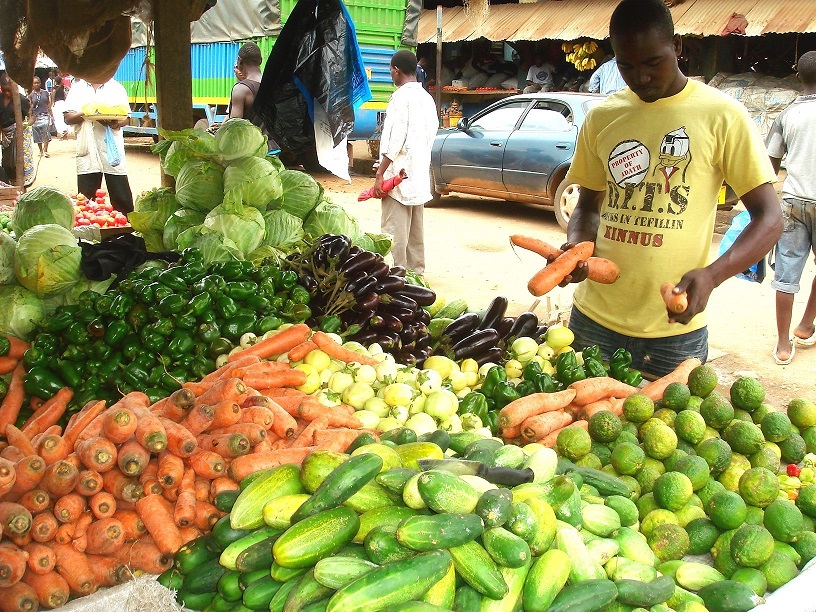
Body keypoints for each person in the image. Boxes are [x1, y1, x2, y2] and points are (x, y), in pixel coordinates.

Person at [560, 0, 782, 376]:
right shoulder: (603, 117)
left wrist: (712, 275)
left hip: (674, 328)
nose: (640, 77)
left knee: (664, 432)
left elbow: (770, 218)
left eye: (652, 63)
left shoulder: (723, 115)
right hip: (592, 320)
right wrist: (578, 250)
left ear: (677, 47)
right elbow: (587, 206)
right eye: (626, 66)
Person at [766, 51, 816, 365]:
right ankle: (806, 324)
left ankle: (784, 345)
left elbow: (768, 164)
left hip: (793, 201)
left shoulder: (786, 115)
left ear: (797, 78)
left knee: (786, 275)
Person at [373, 50, 439, 274]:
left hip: (398, 178)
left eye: (391, 70)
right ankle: (416, 277)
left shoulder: (400, 98)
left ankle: (396, 277)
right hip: (418, 176)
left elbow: (395, 140)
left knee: (394, 235)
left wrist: (380, 174)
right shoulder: (426, 98)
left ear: (396, 70)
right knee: (415, 235)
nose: (391, 74)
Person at [63, 77, 134, 214]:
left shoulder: (116, 88)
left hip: (110, 145)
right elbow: (68, 118)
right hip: (87, 146)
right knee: (86, 198)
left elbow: (126, 117)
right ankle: (88, 231)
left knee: (120, 194)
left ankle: (126, 229)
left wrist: (116, 124)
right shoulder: (78, 88)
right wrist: (87, 112)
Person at [0, 72, 33, 186]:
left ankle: (21, 189)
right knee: (6, 163)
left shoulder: (22, 100)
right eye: (4, 90)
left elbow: (31, 117)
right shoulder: (0, 99)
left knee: (18, 163)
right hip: (6, 137)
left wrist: (25, 125)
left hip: (19, 135)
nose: (7, 93)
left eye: (9, 90)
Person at [228, 43, 262, 122]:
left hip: (251, 135)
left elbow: (235, 126)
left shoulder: (241, 89)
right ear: (261, 60)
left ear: (240, 62)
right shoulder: (273, 85)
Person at [28, 77, 53, 157]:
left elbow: (48, 103)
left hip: (45, 115)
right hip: (35, 117)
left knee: (45, 132)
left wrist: (51, 114)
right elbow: (30, 106)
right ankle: (40, 150)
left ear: (40, 83)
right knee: (37, 134)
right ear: (32, 84)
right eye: (34, 83)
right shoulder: (31, 95)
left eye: (38, 83)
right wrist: (30, 116)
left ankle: (45, 150)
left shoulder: (45, 93)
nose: (36, 84)